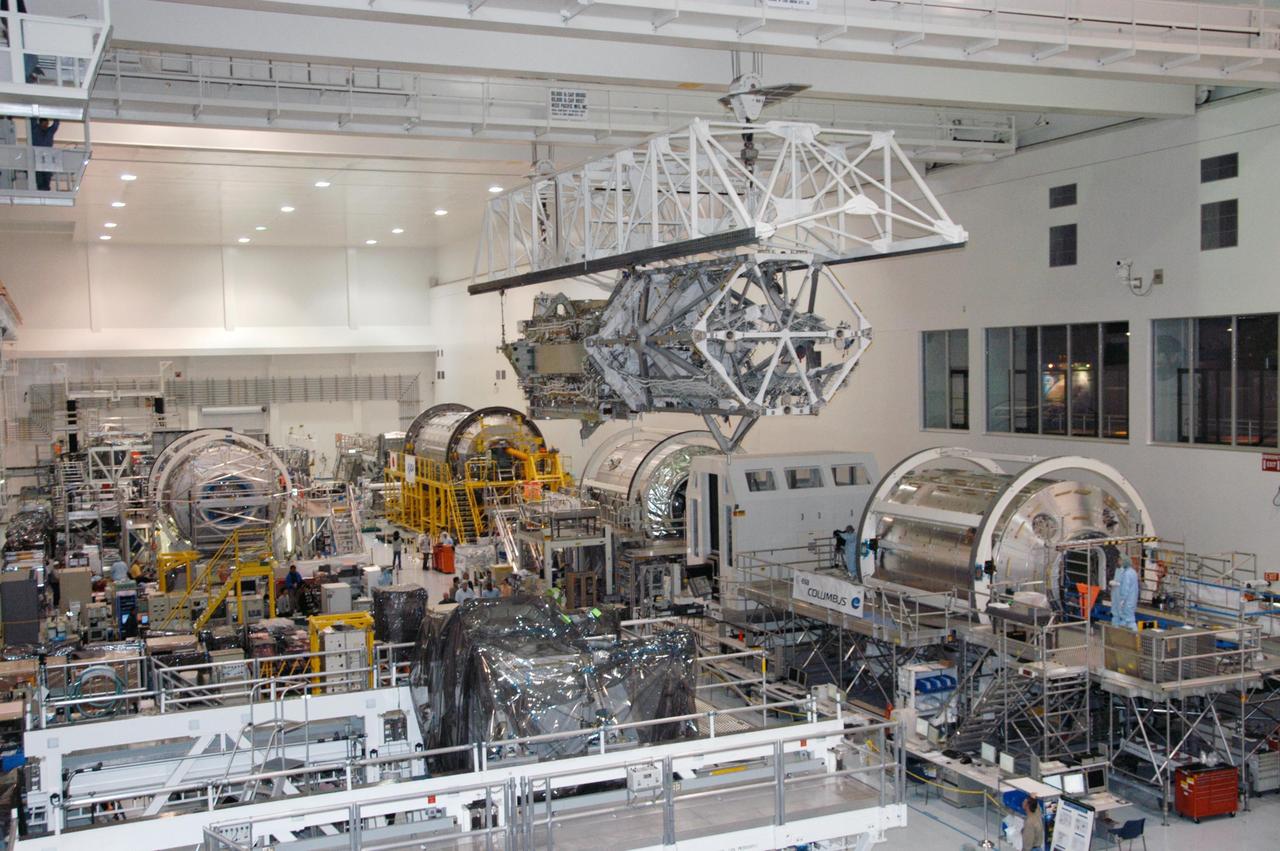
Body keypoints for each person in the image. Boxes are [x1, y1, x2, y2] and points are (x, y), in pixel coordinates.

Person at [1111, 551, 1140, 631]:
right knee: (1127, 618)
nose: (1118, 561)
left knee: (1127, 619)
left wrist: (1122, 599)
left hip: (1127, 601)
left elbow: (1125, 588)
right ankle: (1132, 635)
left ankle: (1133, 635)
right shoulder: (1132, 572)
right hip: (1130, 600)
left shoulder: (1127, 573)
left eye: (1120, 560)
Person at [28, 117, 58, 191]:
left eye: (47, 124)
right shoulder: (35, 129)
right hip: (37, 157)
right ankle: (41, 189)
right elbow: (33, 118)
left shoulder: (50, 131)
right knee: (39, 176)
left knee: (47, 176)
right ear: (40, 123)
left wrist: (55, 114)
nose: (45, 126)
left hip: (47, 158)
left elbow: (56, 124)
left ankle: (46, 189)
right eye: (44, 124)